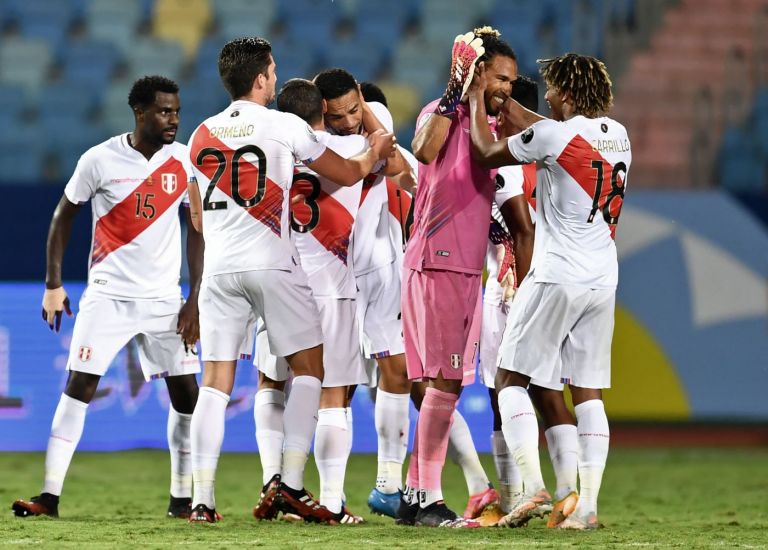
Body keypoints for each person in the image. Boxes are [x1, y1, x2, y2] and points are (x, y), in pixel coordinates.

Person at [185, 38, 396, 524]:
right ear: (261, 78)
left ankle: (202, 501)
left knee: (215, 383)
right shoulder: (283, 125)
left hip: (218, 269)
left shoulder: (200, 134)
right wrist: (374, 152)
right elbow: (347, 171)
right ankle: (293, 486)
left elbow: (196, 218)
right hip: (273, 264)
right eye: (273, 70)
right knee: (310, 369)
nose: (275, 78)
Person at [12, 76, 203, 519]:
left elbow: (197, 228)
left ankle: (181, 500)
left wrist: (194, 297)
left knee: (187, 395)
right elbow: (63, 217)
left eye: (176, 111)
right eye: (164, 111)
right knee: (79, 384)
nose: (173, 119)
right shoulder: (99, 159)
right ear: (140, 113)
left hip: (164, 300)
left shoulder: (185, 161)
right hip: (108, 296)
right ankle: (48, 497)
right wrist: (53, 285)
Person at [468, 52, 631, 530]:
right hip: (602, 278)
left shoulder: (553, 136)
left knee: (509, 379)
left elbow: (484, 152)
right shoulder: (618, 135)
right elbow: (551, 130)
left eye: (555, 88)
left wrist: (478, 97)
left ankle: (534, 487)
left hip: (557, 274)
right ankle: (587, 508)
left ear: (570, 93)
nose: (550, 96)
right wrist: (508, 103)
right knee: (587, 392)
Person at [253, 78, 400, 524]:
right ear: (323, 111)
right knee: (333, 396)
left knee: (271, 383)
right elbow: (391, 156)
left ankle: (274, 483)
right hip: (332, 288)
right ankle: (332, 503)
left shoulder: (272, 154)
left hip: (280, 280)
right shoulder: (353, 150)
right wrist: (361, 106)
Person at [400, 26, 518, 527]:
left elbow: (476, 189)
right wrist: (456, 91)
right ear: (477, 71)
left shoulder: (492, 127)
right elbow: (423, 151)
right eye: (500, 77)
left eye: (511, 81)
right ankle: (427, 498)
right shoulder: (441, 112)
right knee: (445, 383)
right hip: (439, 260)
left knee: (439, 384)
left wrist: (500, 238)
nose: (507, 88)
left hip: (463, 265)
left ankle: (414, 495)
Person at [479, 75, 579, 527]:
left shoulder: (508, 163)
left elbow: (523, 229)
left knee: (503, 389)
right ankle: (568, 495)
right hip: (559, 283)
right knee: (549, 392)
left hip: (514, 287)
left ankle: (516, 495)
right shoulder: (558, 160)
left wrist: (517, 280)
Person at [313, 69, 413, 519]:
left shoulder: (370, 123)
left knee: (398, 370)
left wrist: (366, 111)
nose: (350, 121)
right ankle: (327, 495)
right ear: (321, 113)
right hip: (333, 274)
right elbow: (395, 166)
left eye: (355, 109)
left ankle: (388, 484)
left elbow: (398, 169)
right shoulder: (317, 144)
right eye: (338, 116)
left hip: (378, 269)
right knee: (338, 386)